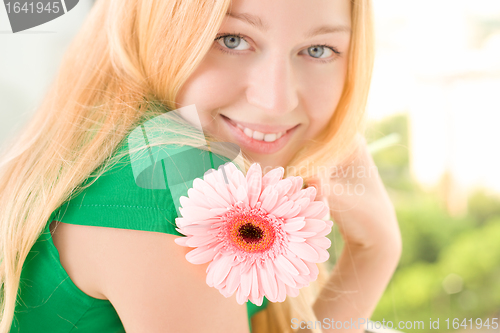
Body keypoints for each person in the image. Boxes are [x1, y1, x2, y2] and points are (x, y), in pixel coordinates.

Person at [0, 0, 402, 332]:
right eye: (231, 39)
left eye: (318, 50)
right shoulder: (169, 181)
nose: (276, 101)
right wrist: (373, 254)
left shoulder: (102, 146)